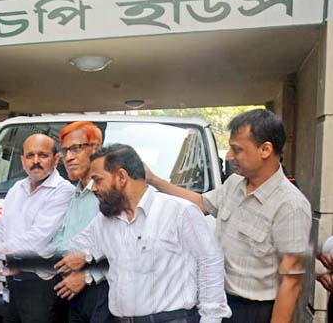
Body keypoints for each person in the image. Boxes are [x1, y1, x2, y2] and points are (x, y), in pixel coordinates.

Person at [145, 109, 311, 322]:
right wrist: (153, 179)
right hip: (218, 303)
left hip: (255, 312)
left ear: (265, 149)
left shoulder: (291, 206)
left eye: (237, 149)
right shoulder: (234, 184)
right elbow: (200, 203)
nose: (230, 156)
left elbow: (292, 283)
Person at [57, 144, 231, 323]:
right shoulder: (103, 222)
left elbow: (210, 263)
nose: (93, 188)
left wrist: (211, 319)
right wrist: (86, 259)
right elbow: (73, 250)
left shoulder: (179, 212)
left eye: (98, 180)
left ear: (121, 177)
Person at [0, 133, 75, 323]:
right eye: (30, 156)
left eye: (43, 155)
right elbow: (0, 231)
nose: (35, 161)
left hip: (40, 284)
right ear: (22, 161)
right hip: (12, 280)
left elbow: (37, 239)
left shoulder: (63, 191)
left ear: (56, 159)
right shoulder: (16, 189)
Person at [50, 121, 113, 323]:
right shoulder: (75, 192)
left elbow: (123, 246)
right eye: (65, 150)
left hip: (102, 289)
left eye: (76, 149)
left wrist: (88, 276)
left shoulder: (110, 192)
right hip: (72, 290)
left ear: (95, 149)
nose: (68, 157)